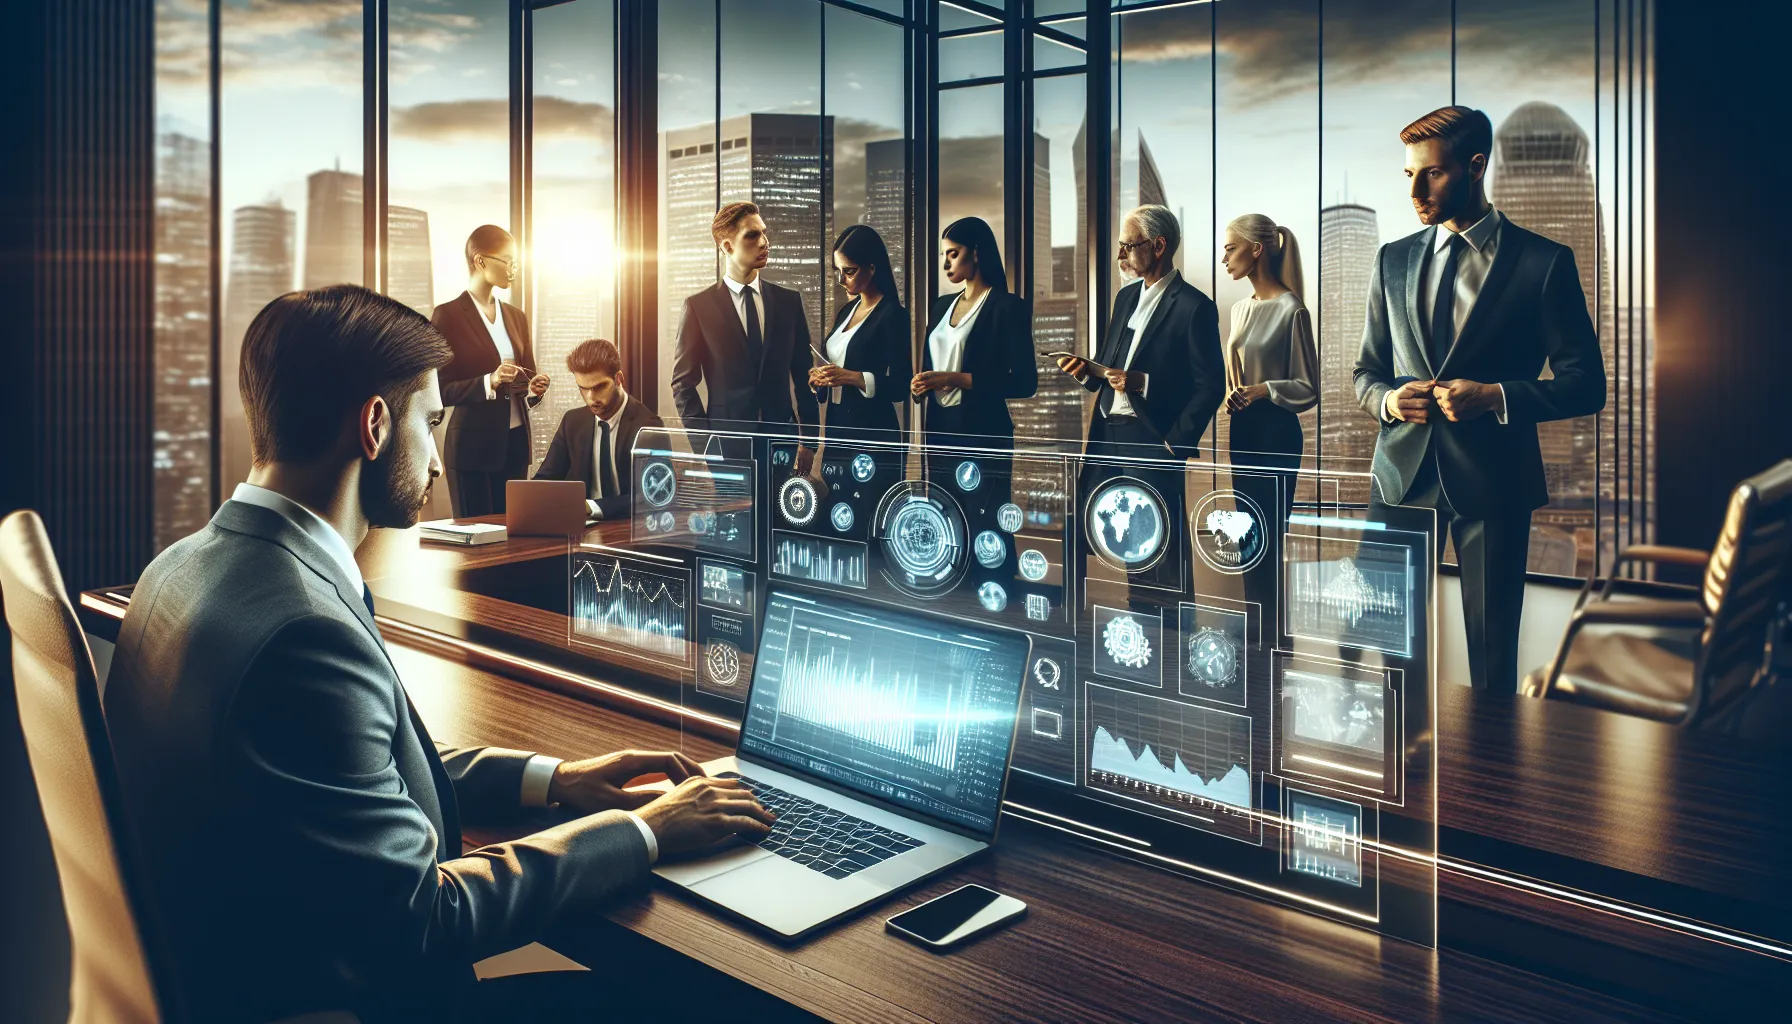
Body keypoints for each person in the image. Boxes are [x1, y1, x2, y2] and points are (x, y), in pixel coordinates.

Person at [102, 285, 774, 1023]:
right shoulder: (303, 635)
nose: (439, 464)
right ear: (375, 425)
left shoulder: (180, 568)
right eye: (431, 423)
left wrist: (553, 779)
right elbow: (424, 919)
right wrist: (645, 830)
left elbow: (349, 766)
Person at [1354, 105, 1605, 693]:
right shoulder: (1392, 259)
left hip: (1494, 483)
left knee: (1492, 659)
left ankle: (1492, 782)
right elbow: (1366, 372)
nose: (1415, 190)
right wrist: (1390, 403)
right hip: (1400, 480)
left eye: (1433, 174)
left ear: (1475, 167)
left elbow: (1586, 384)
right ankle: (1405, 769)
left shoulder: (1544, 264)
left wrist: (1496, 395)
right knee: (1390, 652)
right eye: (1409, 174)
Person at [1058, 204, 1225, 588]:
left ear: (1159, 245)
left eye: (1127, 246)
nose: (1120, 255)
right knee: (1113, 531)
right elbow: (1109, 364)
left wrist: (1174, 443)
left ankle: (1170, 628)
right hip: (1106, 434)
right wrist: (1087, 372)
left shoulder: (1195, 307)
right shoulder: (1125, 299)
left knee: (1158, 541)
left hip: (1153, 438)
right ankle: (1132, 617)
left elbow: (1210, 385)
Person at [914, 217, 1036, 541]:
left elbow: (1025, 383)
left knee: (987, 524)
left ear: (977, 253)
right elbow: (931, 365)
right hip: (939, 429)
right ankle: (951, 590)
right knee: (943, 518)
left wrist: (959, 379)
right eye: (944, 255)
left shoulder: (1008, 307)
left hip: (982, 433)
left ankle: (997, 589)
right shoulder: (941, 306)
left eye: (953, 254)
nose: (945, 264)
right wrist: (920, 385)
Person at [1220, 213, 1318, 612]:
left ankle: (1272, 631)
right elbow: (1235, 371)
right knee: (1247, 534)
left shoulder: (1292, 310)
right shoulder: (1240, 308)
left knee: (1269, 534)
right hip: (1242, 432)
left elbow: (1309, 386)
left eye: (1230, 249)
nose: (1224, 259)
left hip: (1275, 433)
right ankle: (1255, 623)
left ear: (1256, 249)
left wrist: (1264, 390)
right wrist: (1232, 394)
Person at [670, 201, 819, 438]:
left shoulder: (788, 302)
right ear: (727, 246)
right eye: (752, 235)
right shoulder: (698, 307)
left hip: (780, 443)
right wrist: (705, 444)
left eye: (763, 233)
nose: (764, 243)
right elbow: (682, 384)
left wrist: (809, 441)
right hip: (726, 446)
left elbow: (803, 375)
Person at [433, 225, 550, 518]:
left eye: (516, 262)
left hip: (514, 444)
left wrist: (534, 391)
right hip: (471, 448)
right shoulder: (447, 316)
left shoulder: (516, 317)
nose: (513, 269)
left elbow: (525, 379)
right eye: (507, 260)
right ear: (480, 261)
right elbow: (440, 389)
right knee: (478, 540)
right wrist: (490, 381)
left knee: (512, 535)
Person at [533, 337, 663, 521]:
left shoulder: (649, 427)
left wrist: (591, 507)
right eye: (583, 389)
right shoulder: (573, 421)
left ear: (618, 379)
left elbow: (655, 496)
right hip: (578, 531)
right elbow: (545, 480)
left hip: (628, 528)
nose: (591, 398)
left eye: (599, 387)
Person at [808, 224, 911, 445]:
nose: (841, 280)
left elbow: (901, 385)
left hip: (872, 432)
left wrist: (850, 377)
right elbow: (836, 366)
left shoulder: (893, 315)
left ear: (872, 268)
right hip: (837, 428)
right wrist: (819, 378)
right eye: (838, 271)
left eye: (849, 271)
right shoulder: (846, 311)